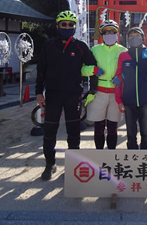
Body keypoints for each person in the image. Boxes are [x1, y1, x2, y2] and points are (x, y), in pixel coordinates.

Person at [36, 10, 97, 180]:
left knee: (74, 132)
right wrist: (38, 93)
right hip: (53, 95)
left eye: (71, 24)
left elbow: (93, 67)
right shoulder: (48, 45)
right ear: (57, 26)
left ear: (75, 27)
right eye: (64, 24)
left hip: (73, 96)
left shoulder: (80, 46)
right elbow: (41, 71)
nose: (67, 27)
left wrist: (92, 90)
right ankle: (50, 164)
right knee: (49, 131)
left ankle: (72, 167)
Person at [81, 20, 127, 149]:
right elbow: (82, 70)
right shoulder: (94, 50)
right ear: (101, 34)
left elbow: (131, 70)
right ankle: (99, 154)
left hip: (116, 94)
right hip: (98, 93)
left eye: (113, 32)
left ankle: (111, 155)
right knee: (99, 127)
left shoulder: (123, 51)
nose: (109, 34)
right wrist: (93, 70)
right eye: (106, 32)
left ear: (117, 33)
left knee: (113, 128)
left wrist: (121, 77)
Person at [114, 27, 147, 149]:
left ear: (143, 38)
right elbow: (118, 78)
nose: (134, 38)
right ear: (127, 39)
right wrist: (119, 100)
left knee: (145, 132)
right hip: (128, 100)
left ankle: (145, 155)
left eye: (137, 35)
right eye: (131, 36)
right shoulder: (123, 55)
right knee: (130, 132)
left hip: (146, 99)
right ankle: (132, 156)